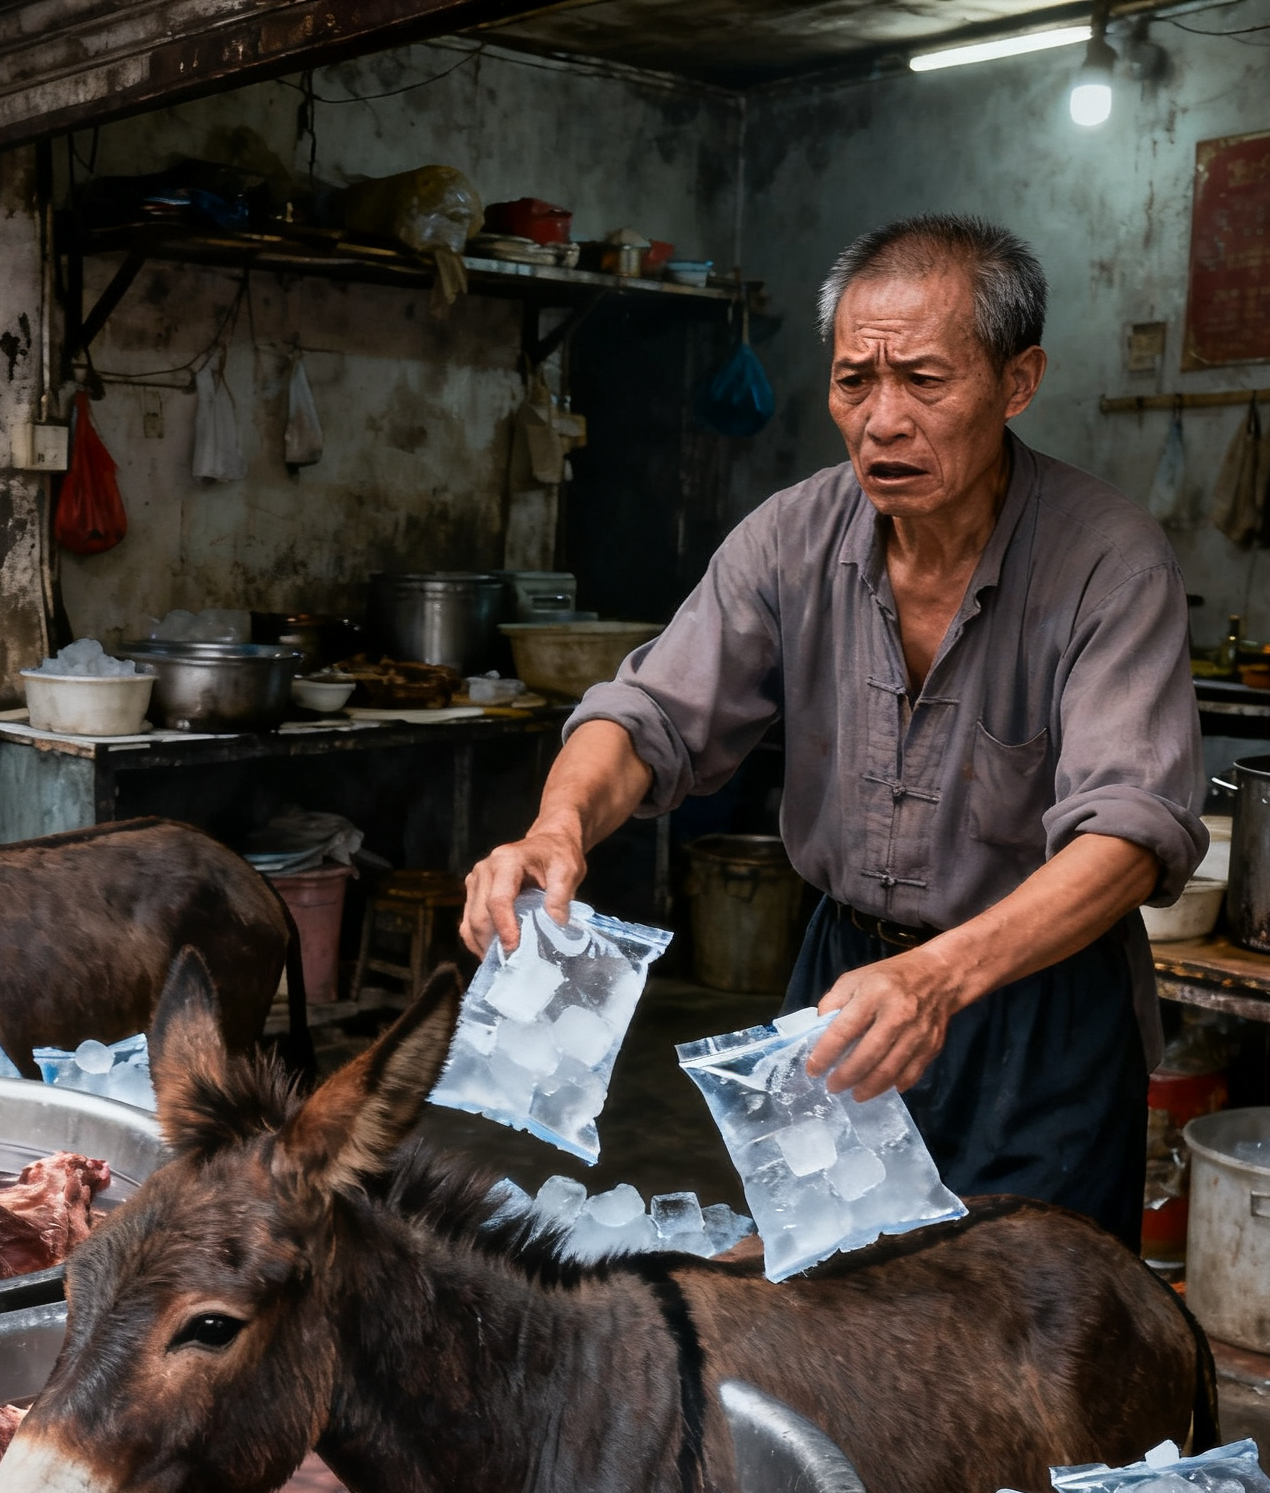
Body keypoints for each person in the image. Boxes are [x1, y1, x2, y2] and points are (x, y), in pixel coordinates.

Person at [462, 214, 1204, 1248]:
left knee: (1024, 1344)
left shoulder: (1106, 561)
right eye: (854, 380)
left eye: (925, 381)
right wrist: (556, 826)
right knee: (830, 1312)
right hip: (843, 982)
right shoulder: (790, 535)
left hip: (1034, 1005)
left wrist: (938, 976)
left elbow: (1129, 833)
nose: (881, 420)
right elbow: (646, 715)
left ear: (1016, 380)